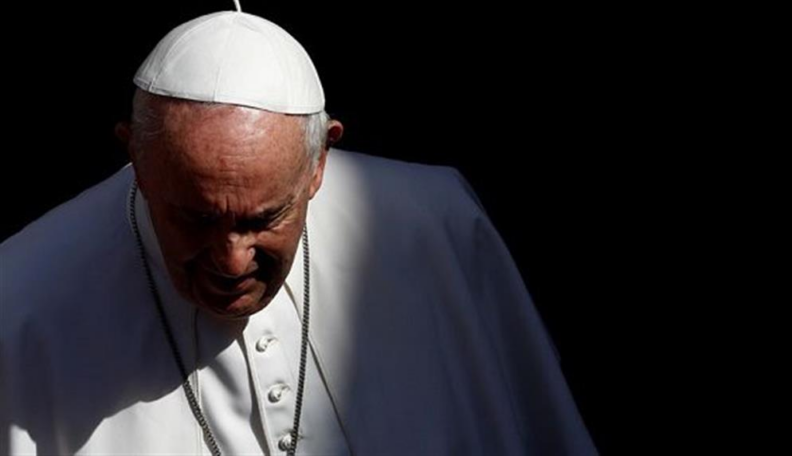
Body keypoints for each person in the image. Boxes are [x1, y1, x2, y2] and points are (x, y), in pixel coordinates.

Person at [0, 5, 597, 456]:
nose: (231, 261)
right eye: (196, 217)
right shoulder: (20, 296)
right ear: (136, 159)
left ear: (319, 165)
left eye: (264, 219)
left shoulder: (438, 227)